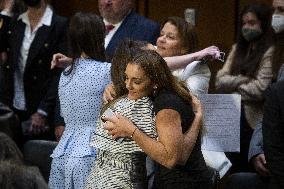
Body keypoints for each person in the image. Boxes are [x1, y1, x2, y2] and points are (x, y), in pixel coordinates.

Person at [88, 49, 213, 189]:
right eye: (126, 78)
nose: (128, 85)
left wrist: (131, 130)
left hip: (185, 183)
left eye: (136, 81)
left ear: (155, 82)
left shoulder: (166, 105)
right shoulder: (151, 96)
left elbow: (173, 159)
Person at [53, 0, 161, 141]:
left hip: (122, 130)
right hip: (75, 131)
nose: (107, 2)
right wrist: (60, 121)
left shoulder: (147, 28)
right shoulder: (86, 26)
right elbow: (68, 79)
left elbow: (151, 69)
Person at [48, 12, 111, 189]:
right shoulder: (107, 71)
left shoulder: (65, 73)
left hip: (62, 154)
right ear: (100, 37)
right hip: (92, 153)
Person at [215, 3, 274, 173]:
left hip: (252, 120)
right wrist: (245, 79)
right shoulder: (237, 48)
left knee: (246, 169)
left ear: (263, 23)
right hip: (228, 115)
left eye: (252, 23)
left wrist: (233, 86)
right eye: (244, 23)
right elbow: (219, 80)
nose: (247, 27)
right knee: (227, 168)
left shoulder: (269, 51)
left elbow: (261, 88)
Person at [0, 0, 68, 146]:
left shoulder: (59, 24)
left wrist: (43, 111)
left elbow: (60, 74)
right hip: (13, 107)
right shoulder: (15, 22)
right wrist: (6, 10)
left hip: (40, 110)